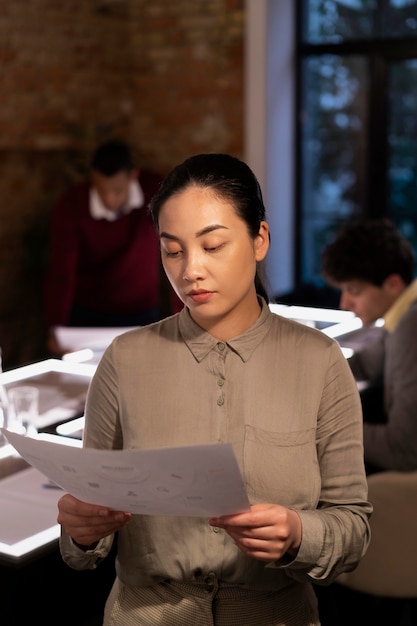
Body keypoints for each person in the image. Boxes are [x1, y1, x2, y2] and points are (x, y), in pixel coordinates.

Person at [57, 153, 372, 626]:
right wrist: (81, 532)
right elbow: (84, 546)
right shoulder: (125, 359)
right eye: (173, 250)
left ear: (259, 239)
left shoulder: (319, 361)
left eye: (213, 245)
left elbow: (353, 527)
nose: (190, 271)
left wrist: (297, 533)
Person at [43, 138, 182, 357]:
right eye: (101, 190)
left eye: (117, 191)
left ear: (133, 176)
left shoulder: (157, 193)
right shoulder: (71, 204)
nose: (109, 199)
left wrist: (182, 319)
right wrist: (57, 328)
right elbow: (61, 271)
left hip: (142, 313)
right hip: (87, 316)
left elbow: (177, 253)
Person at [321, 218, 417, 473]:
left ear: (393, 284)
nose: (345, 303)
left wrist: (324, 425)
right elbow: (366, 362)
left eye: (354, 290)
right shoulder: (402, 317)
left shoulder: (412, 325)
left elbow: (404, 448)